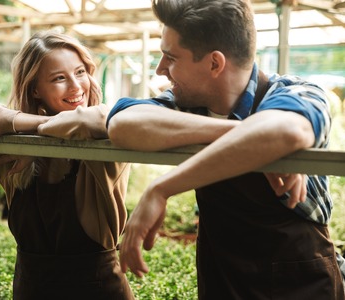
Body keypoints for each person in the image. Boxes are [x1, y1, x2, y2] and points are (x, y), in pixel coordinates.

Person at [106, 0, 345, 299]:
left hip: (303, 286)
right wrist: (255, 140)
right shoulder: (189, 107)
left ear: (215, 63)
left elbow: (285, 130)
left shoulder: (297, 92)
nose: (160, 70)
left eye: (170, 57)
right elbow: (124, 123)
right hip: (223, 284)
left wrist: (161, 188)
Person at [0, 30, 134, 300]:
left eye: (80, 72)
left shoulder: (102, 145)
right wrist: (34, 129)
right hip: (30, 291)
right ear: (35, 89)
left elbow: (103, 117)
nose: (76, 87)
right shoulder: (15, 153)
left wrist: (41, 132)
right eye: (59, 78)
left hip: (98, 291)